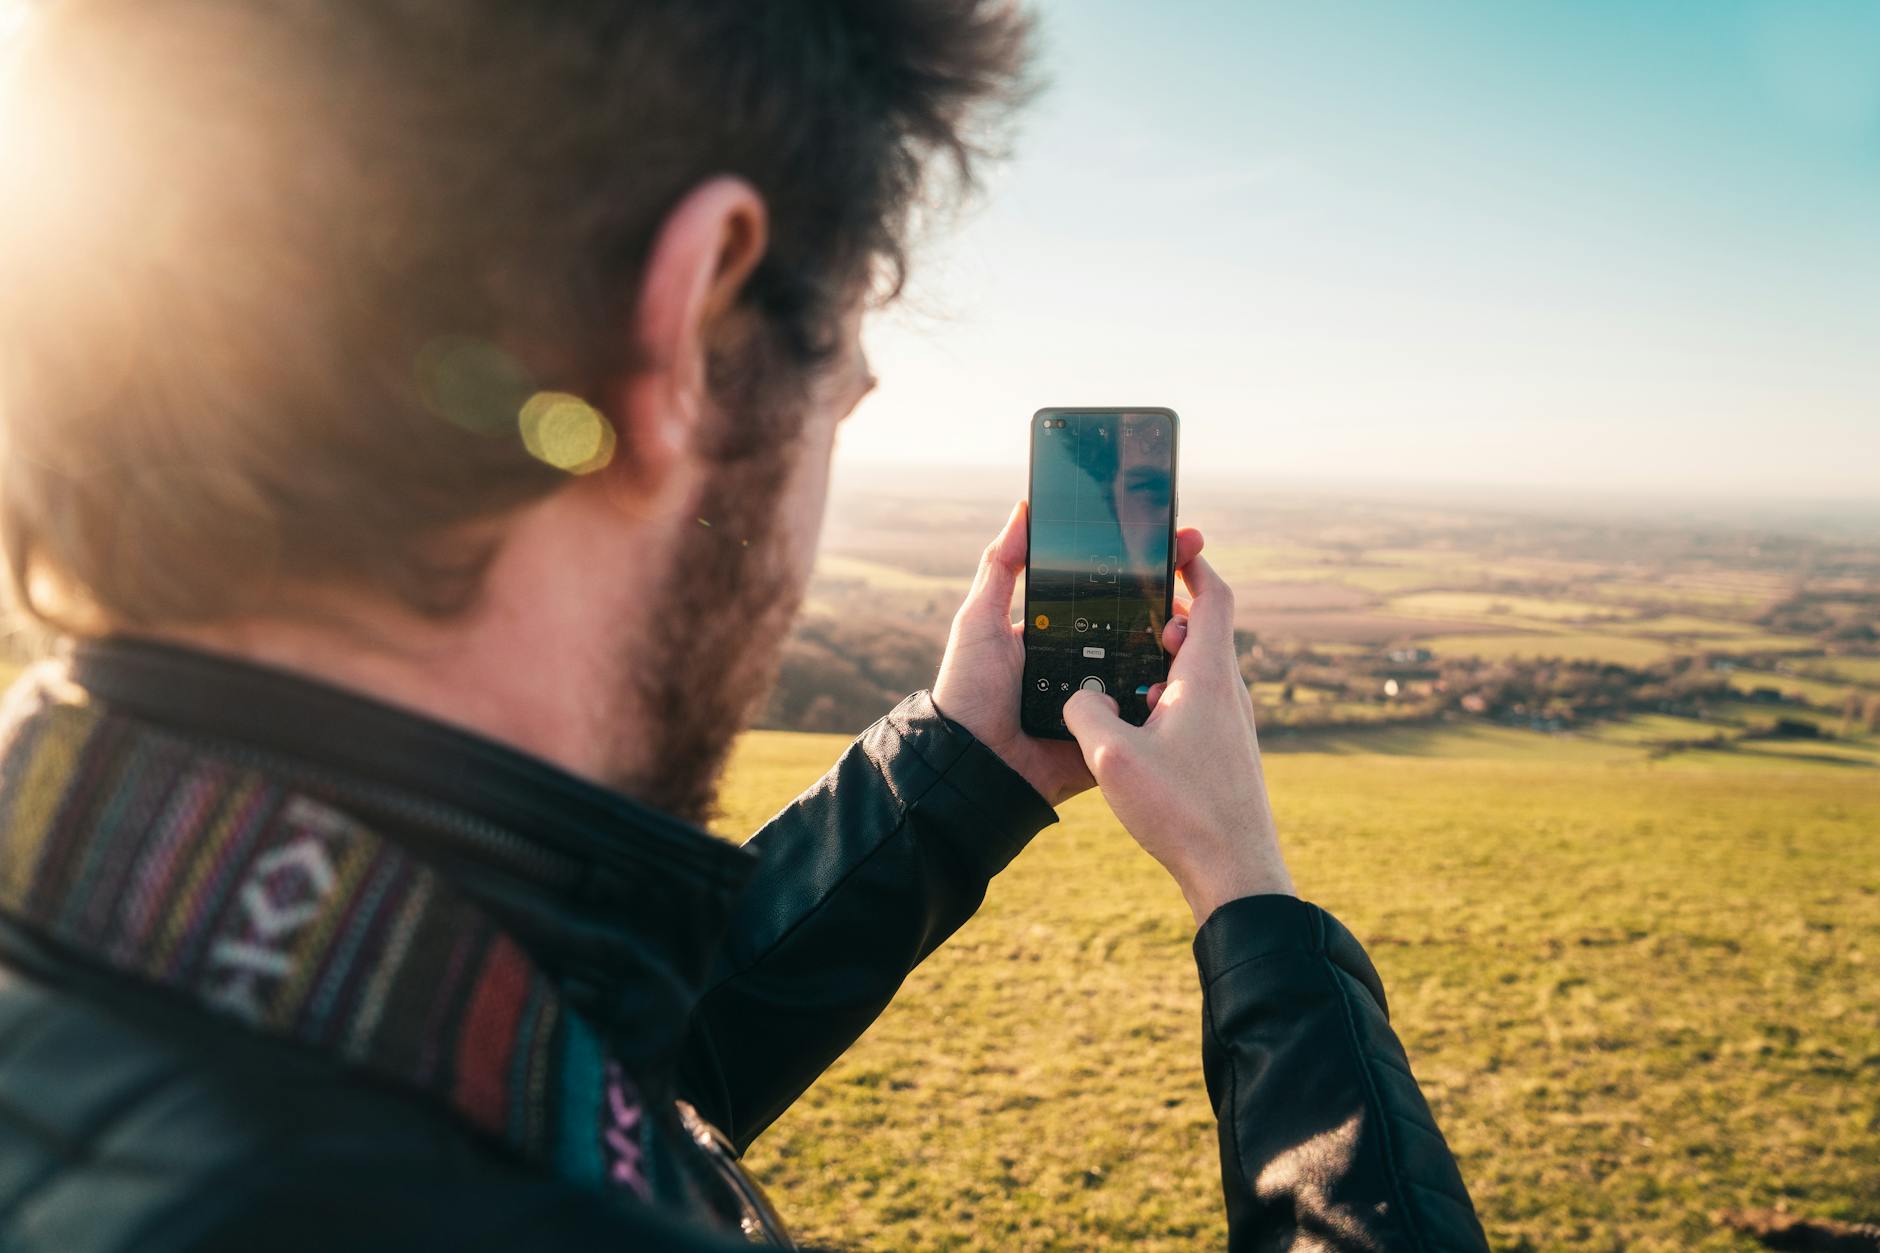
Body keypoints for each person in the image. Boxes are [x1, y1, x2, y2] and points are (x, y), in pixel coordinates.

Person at [0, 2, 1487, 1249]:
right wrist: (1253, 903)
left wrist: (960, 772)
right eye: (840, 379)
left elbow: (584, 1068)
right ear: (693, 329)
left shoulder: (182, 962)